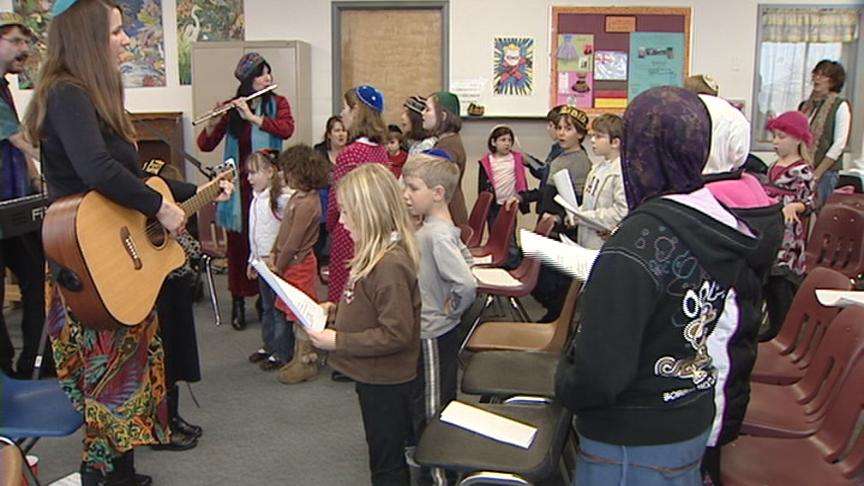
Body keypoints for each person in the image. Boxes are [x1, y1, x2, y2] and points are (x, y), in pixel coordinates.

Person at [23, 0, 232, 483]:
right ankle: (103, 474)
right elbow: (97, 171)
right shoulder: (67, 93)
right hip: (89, 259)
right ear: (88, 37)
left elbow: (131, 177)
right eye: (116, 32)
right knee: (105, 373)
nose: (124, 40)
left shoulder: (91, 96)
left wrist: (190, 194)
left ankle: (122, 468)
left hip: (113, 256)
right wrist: (159, 208)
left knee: (124, 370)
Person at [555, 86, 758, 486]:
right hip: (688, 411)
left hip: (633, 435)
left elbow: (599, 377)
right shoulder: (716, 221)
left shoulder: (634, 244)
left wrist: (561, 378)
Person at [307, 163, 421, 486]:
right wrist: (333, 311)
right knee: (380, 452)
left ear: (369, 213)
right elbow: (368, 306)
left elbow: (395, 333)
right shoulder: (374, 255)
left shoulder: (388, 265)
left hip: (385, 378)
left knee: (386, 463)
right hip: (373, 373)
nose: (341, 223)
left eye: (346, 213)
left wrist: (336, 341)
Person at [697, 94, 784, 484]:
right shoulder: (747, 189)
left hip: (714, 369)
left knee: (705, 461)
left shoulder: (714, 208)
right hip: (729, 361)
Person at [197, 51, 295, 330]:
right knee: (240, 246)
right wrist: (213, 122)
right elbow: (205, 144)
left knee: (268, 241)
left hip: (270, 184)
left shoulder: (278, 103)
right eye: (261, 74)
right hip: (239, 188)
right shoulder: (233, 107)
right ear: (249, 80)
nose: (267, 78)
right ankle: (239, 298)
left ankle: (266, 298)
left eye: (268, 72)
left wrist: (253, 117)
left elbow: (286, 129)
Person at [402, 153, 477, 486]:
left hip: (433, 331)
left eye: (412, 188)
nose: (405, 194)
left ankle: (438, 474)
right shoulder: (438, 228)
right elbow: (467, 259)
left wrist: (453, 309)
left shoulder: (436, 234)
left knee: (433, 404)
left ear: (437, 193)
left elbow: (466, 282)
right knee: (430, 396)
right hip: (432, 329)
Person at [0, 12, 47, 379]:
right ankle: (8, 370)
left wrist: (34, 178)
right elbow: (22, 141)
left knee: (35, 281)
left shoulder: (5, 87)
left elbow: (13, 144)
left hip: (14, 207)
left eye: (26, 42)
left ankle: (35, 359)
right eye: (16, 41)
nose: (24, 49)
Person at [147, 162, 203, 453]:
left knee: (176, 347)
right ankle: (160, 425)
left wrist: (199, 192)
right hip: (148, 273)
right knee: (161, 346)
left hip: (172, 273)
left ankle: (172, 416)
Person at [524, 105, 591, 322]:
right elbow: (546, 191)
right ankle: (554, 314)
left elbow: (580, 204)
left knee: (553, 280)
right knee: (539, 274)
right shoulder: (559, 157)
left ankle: (558, 317)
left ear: (580, 134)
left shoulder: (580, 162)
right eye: (560, 128)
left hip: (562, 229)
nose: (561, 133)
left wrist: (560, 218)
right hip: (548, 224)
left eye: (568, 129)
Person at [326, 85, 389, 305]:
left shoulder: (350, 153)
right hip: (373, 227)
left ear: (356, 110)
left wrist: (330, 225)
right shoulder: (380, 150)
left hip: (349, 228)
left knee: (344, 287)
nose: (342, 114)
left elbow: (337, 199)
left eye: (346, 108)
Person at [272, 144, 329, 385]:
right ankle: (297, 356)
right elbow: (284, 230)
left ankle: (306, 360)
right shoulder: (298, 196)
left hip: (298, 264)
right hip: (288, 261)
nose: (285, 176)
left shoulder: (308, 203)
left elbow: (295, 240)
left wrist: (279, 264)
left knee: (301, 313)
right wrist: (274, 250)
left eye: (289, 171)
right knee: (293, 312)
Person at [761, 111, 816, 341]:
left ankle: (783, 329)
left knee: (781, 281)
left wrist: (796, 207)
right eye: (774, 136)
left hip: (788, 236)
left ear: (796, 139)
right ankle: (772, 324)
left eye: (781, 137)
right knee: (768, 280)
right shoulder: (774, 165)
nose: (775, 141)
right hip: (770, 227)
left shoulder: (802, 170)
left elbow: (810, 201)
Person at [245, 149, 294, 372]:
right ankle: (269, 345)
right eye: (248, 174)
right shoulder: (256, 200)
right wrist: (251, 260)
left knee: (278, 309)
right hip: (261, 265)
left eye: (255, 173)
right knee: (266, 307)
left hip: (276, 265)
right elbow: (254, 233)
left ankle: (282, 352)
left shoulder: (280, 198)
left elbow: (296, 200)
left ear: (270, 172)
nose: (250, 178)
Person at [564, 113, 627, 250]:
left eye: (598, 136)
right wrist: (575, 214)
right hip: (586, 239)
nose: (592, 140)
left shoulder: (621, 172)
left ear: (615, 142)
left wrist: (583, 217)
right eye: (592, 136)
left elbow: (620, 212)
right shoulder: (596, 169)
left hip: (604, 244)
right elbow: (589, 204)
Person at [799, 60, 850, 207]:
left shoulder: (840, 106)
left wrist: (817, 174)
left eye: (823, 75)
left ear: (834, 81)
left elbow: (839, 144)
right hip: (803, 170)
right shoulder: (806, 106)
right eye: (816, 74)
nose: (817, 78)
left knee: (822, 213)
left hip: (825, 173)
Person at [422, 92, 468, 226]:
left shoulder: (448, 147)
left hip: (448, 217)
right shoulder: (447, 141)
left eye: (427, 109)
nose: (422, 113)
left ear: (442, 116)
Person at [312, 116, 347, 273]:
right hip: (323, 207)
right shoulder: (318, 153)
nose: (341, 134)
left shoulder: (351, 153)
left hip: (344, 206)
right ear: (329, 134)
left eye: (344, 130)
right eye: (337, 130)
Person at [478, 125, 529, 231]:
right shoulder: (486, 162)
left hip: (510, 204)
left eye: (510, 140)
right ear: (493, 142)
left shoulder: (516, 158)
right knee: (494, 235)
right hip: (494, 206)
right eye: (503, 140)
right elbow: (482, 187)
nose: (507, 143)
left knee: (510, 236)